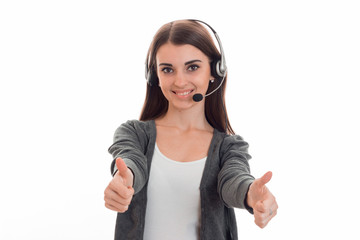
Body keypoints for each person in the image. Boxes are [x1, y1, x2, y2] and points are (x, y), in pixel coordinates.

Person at [104, 19, 278, 240]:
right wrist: (125, 179)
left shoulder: (229, 147)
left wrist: (249, 193)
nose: (179, 81)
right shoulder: (134, 134)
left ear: (215, 71)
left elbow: (233, 180)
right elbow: (130, 162)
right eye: (167, 69)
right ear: (154, 75)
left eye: (192, 67)